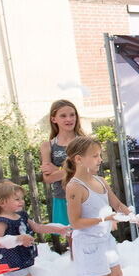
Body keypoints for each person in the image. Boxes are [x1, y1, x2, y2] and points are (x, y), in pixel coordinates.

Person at [64, 136, 139, 276]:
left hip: (105, 239)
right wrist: (103, 219)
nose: (100, 160)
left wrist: (132, 216)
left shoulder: (100, 181)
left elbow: (117, 204)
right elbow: (75, 223)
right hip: (88, 242)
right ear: (79, 159)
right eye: (95, 156)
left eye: (99, 155)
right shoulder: (75, 187)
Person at [0, 181, 71, 276]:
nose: (21, 202)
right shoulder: (1, 221)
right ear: (2, 203)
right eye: (17, 199)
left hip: (22, 259)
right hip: (12, 263)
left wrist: (58, 229)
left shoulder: (21, 215)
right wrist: (17, 239)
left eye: (22, 198)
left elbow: (38, 227)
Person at [39, 99, 84, 232]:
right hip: (61, 198)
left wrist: (57, 170)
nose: (69, 119)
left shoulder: (84, 142)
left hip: (84, 196)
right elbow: (48, 178)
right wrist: (72, 170)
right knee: (70, 239)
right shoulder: (47, 146)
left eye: (72, 114)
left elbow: (88, 170)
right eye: (63, 116)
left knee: (91, 238)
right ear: (53, 119)